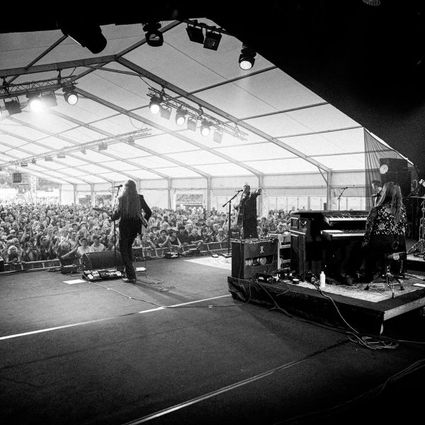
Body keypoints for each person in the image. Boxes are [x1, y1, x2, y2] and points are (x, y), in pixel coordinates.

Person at [362, 181, 407, 282]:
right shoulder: (402, 210)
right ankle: (391, 272)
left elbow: (368, 229)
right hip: (398, 246)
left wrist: (365, 242)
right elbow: (404, 228)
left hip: (381, 245)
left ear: (385, 193)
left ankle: (366, 275)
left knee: (361, 247)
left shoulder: (377, 209)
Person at [111, 180, 152, 283]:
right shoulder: (139, 198)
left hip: (125, 227)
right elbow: (149, 212)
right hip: (135, 227)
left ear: (125, 188)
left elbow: (117, 216)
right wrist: (142, 222)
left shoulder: (121, 199)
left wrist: (112, 216)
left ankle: (131, 275)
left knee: (123, 250)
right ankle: (129, 271)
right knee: (128, 248)